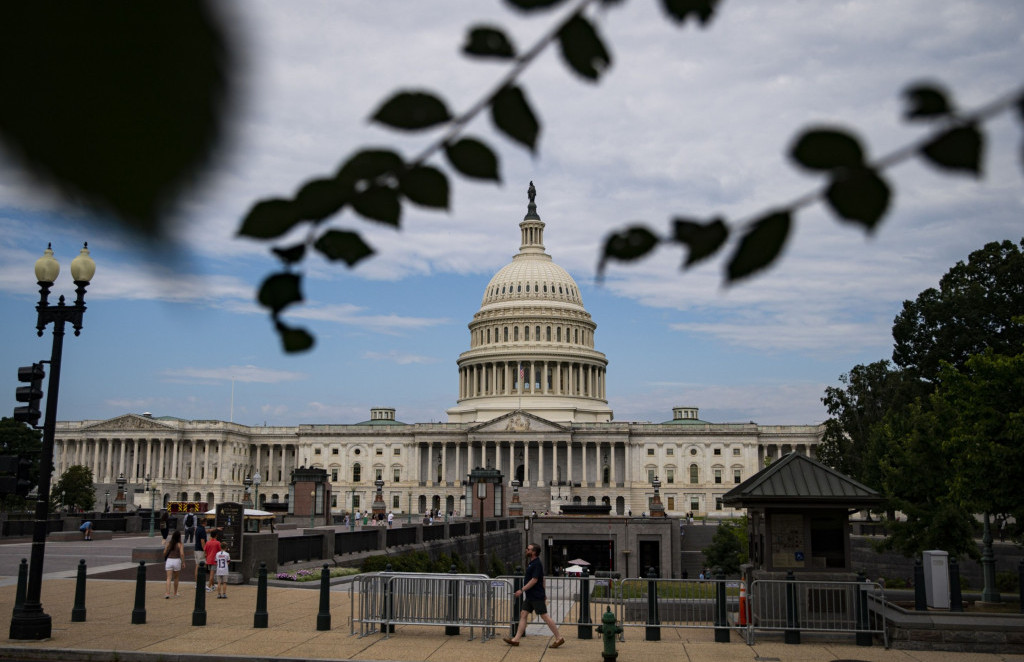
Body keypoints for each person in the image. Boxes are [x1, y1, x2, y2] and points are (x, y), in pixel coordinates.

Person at [503, 542, 564, 648]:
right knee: (523, 614)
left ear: (534, 552)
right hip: (531, 596)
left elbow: (535, 580)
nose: (526, 550)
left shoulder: (536, 564)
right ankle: (516, 639)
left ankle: (559, 638)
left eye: (528, 549)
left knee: (545, 616)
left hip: (536, 595)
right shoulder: (532, 563)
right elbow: (543, 579)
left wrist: (521, 590)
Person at [163, 529, 184, 598]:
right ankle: (175, 592)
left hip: (169, 560)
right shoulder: (180, 544)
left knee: (168, 578)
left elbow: (164, 552)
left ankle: (167, 593)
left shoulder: (169, 543)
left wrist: (165, 555)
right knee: (176, 578)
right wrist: (183, 562)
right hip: (177, 560)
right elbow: (182, 554)